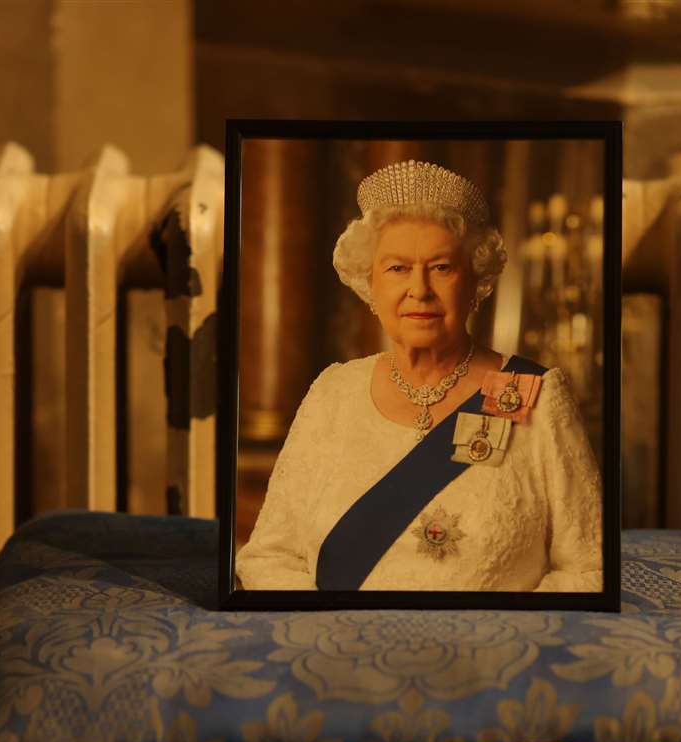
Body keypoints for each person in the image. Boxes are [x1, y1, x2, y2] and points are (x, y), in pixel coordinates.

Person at [236, 159, 603, 592]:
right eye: (397, 268)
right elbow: (269, 557)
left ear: (476, 282)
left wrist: (504, 636)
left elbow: (589, 569)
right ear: (370, 285)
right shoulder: (333, 392)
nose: (419, 290)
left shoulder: (533, 394)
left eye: (442, 267)